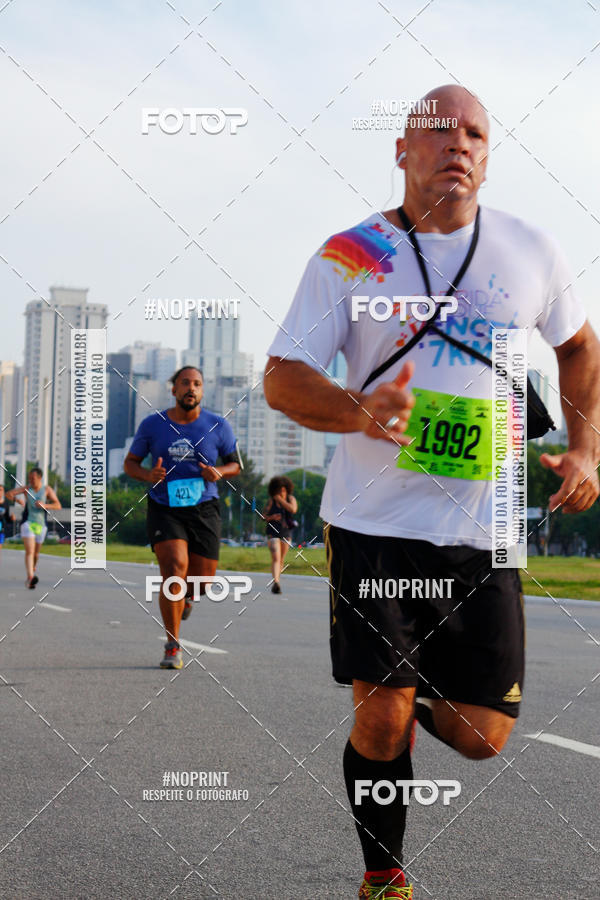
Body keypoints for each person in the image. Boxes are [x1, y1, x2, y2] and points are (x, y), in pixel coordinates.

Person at [264, 84, 600, 898]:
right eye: (440, 130)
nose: (459, 144)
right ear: (402, 150)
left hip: (485, 533)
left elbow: (580, 348)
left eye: (475, 133)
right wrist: (358, 409)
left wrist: (587, 448)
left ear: (487, 155)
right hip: (374, 525)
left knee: (483, 736)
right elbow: (281, 377)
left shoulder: (532, 250)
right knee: (380, 716)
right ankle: (383, 875)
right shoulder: (351, 253)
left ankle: (406, 696)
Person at [124, 366, 242, 669]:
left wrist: (218, 472)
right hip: (165, 506)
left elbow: (235, 465)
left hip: (204, 508)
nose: (191, 388)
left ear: (202, 390)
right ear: (174, 389)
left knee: (202, 581)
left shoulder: (218, 425)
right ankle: (173, 645)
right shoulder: (153, 424)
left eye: (197, 384)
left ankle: (189, 596)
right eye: (185, 383)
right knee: (174, 568)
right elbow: (130, 463)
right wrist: (148, 475)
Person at [6, 467, 61, 588]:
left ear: (40, 478)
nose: (30, 480)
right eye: (29, 478)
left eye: (33, 478)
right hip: (28, 523)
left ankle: (32, 568)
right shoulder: (26, 489)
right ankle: (30, 577)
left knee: (36, 554)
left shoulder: (46, 489)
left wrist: (45, 505)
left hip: (41, 525)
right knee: (30, 551)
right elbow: (8, 494)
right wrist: (17, 500)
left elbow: (58, 505)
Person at [263, 476, 298, 593]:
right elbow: (263, 516)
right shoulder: (271, 501)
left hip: (286, 532)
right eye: (278, 491)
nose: (281, 493)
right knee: (276, 557)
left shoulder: (290, 499)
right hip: (272, 531)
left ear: (287, 490)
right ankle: (276, 582)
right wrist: (272, 517)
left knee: (281, 559)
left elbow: (293, 509)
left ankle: (277, 578)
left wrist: (280, 499)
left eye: (283, 490)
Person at [0, 485, 15, 555]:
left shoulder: (6, 504)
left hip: (1, 529)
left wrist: (11, 518)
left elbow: (7, 518)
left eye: (1, 490)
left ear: (3, 492)